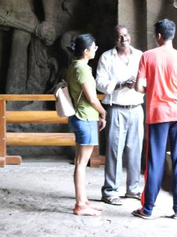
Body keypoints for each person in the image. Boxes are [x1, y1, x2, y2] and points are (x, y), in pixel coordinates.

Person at [133, 19, 177, 220]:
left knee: (154, 161)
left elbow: (138, 87)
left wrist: (154, 90)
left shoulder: (147, 56)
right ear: (172, 35)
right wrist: (175, 96)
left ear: (158, 36)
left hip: (157, 114)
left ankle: (148, 209)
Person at [95, 25, 144, 205]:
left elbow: (147, 77)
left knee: (135, 150)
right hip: (116, 108)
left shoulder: (139, 55)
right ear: (113, 39)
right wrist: (120, 84)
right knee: (114, 150)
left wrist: (137, 83)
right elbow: (99, 82)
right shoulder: (107, 57)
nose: (123, 39)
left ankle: (133, 189)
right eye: (119, 37)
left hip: (136, 107)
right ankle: (110, 191)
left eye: (125, 35)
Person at [65, 34, 107, 216]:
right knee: (82, 163)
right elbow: (91, 98)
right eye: (94, 47)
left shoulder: (75, 66)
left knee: (80, 161)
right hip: (85, 117)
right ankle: (80, 204)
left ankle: (83, 200)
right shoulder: (82, 68)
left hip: (79, 116)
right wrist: (103, 111)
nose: (95, 50)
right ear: (85, 51)